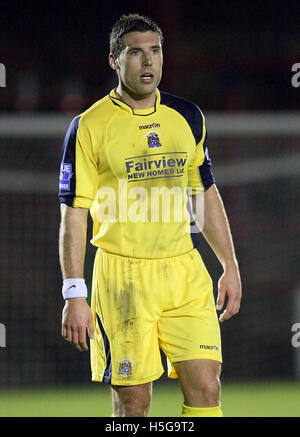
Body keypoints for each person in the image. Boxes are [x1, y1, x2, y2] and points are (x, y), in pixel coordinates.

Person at [58, 13, 242, 418]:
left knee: (207, 388)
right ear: (113, 60)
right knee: (135, 403)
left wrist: (229, 264)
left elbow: (204, 192)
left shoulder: (188, 117)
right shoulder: (88, 126)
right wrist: (75, 292)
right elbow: (74, 213)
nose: (148, 62)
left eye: (155, 51)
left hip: (184, 271)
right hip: (123, 277)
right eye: (135, 52)